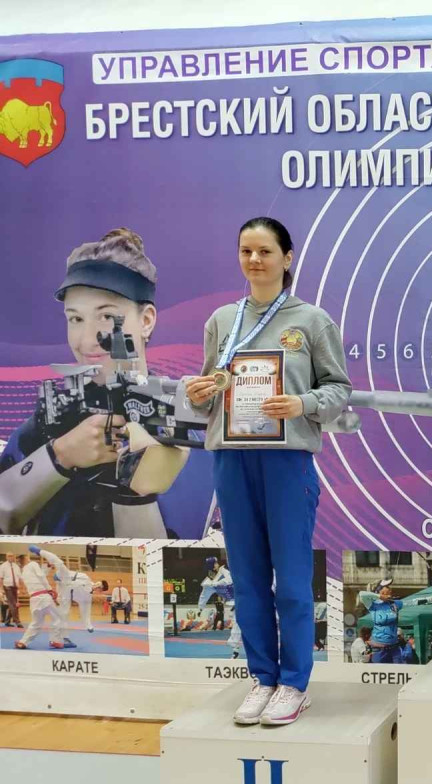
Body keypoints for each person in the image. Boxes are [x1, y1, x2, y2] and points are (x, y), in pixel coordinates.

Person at [185, 216, 351, 726]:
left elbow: (339, 389)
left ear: (287, 257)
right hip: (231, 459)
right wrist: (197, 394)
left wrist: (302, 404)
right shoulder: (221, 321)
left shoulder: (313, 321)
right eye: (246, 251)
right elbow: (209, 394)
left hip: (286, 461)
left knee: (293, 581)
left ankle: (294, 684)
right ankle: (262, 677)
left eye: (264, 251)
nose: (254, 260)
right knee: (248, 578)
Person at [0, 228, 214, 539]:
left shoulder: (185, 422)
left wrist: (134, 490)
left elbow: (181, 555)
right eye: (76, 319)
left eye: (107, 317)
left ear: (146, 320)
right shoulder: (49, 421)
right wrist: (60, 456)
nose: (88, 339)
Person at [14, 547, 73, 650]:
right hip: (44, 597)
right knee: (57, 618)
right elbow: (41, 576)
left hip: (34, 599)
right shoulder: (33, 564)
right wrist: (50, 589)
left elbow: (39, 575)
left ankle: (23, 642)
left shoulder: (23, 572)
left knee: (36, 623)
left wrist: (48, 567)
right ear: (26, 559)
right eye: (28, 557)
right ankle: (55, 640)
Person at [357, 579, 407, 664]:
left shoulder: (394, 604)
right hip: (378, 650)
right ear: (379, 590)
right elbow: (362, 594)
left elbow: (412, 602)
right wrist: (379, 596)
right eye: (386, 587)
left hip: (394, 649)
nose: (389, 589)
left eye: (389, 588)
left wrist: (430, 599)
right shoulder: (373, 604)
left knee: (398, 670)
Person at [2, 553, 22, 627]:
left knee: (13, 604)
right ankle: (17, 621)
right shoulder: (3, 566)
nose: (10, 557)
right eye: (9, 556)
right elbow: (1, 578)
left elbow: (20, 577)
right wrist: (1, 589)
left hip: (15, 587)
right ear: (6, 557)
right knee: (13, 604)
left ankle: (7, 621)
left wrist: (21, 587)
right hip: (7, 587)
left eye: (12, 556)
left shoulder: (16, 566)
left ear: (14, 557)